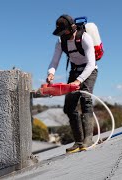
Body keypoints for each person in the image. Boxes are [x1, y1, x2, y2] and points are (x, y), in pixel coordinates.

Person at [46, 14, 98, 153]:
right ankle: (78, 141)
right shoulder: (60, 41)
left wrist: (79, 81)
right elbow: (54, 61)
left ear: (71, 28)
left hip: (89, 71)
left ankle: (88, 139)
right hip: (74, 71)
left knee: (86, 99)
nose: (62, 34)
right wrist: (51, 73)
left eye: (64, 31)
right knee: (69, 107)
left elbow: (92, 64)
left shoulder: (85, 38)